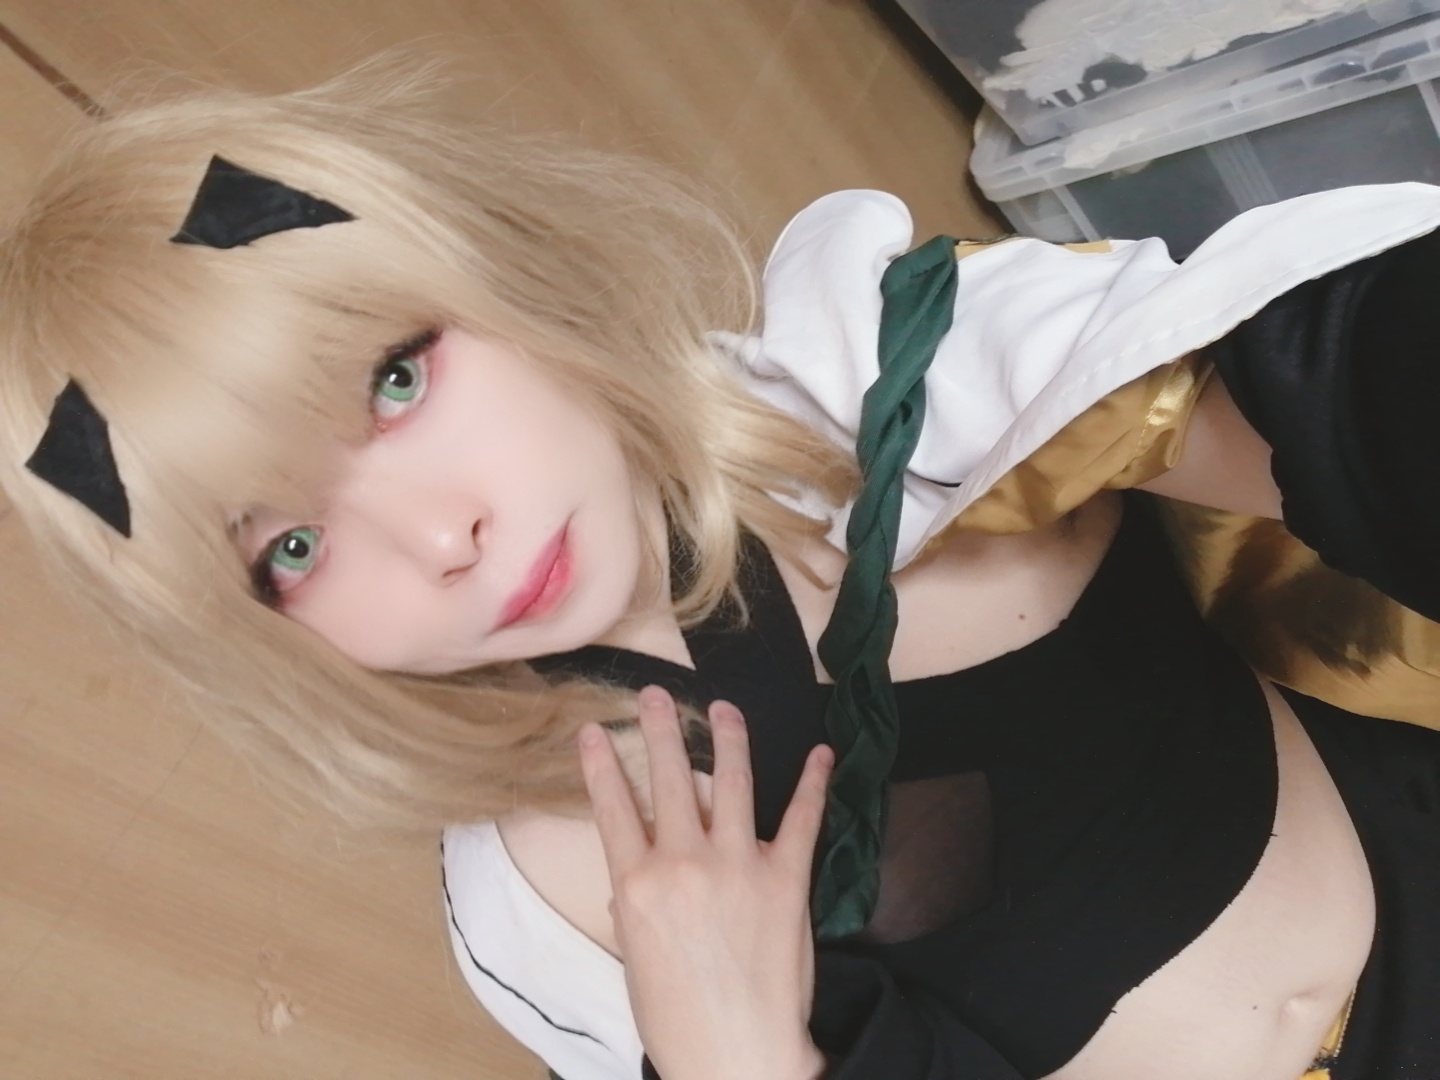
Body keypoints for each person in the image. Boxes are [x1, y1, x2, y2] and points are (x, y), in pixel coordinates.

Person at [4, 72, 1440, 1080]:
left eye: (393, 380)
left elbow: (1345, 391)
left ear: (486, 269)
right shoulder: (551, 898)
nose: (440, 538)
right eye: (292, 549)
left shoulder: (888, 372)